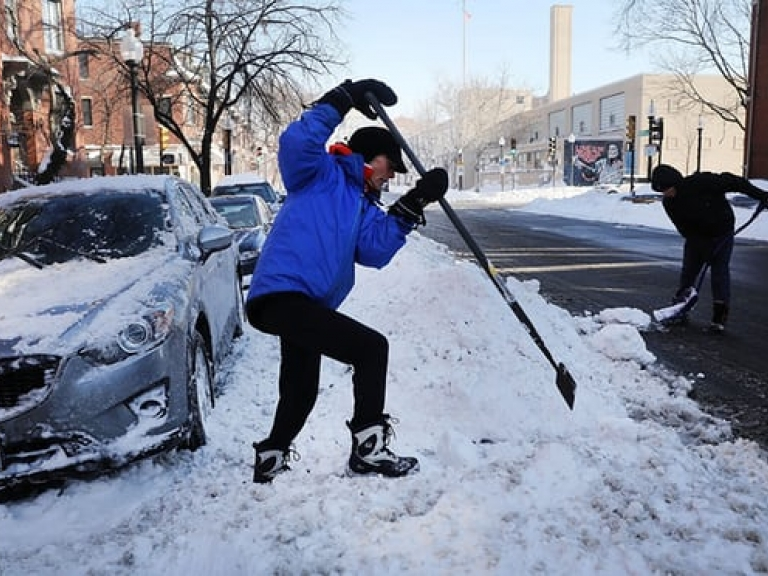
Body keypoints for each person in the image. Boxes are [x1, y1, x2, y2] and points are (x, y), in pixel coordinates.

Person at [244, 79, 449, 483]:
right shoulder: (320, 173)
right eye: (391, 166)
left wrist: (414, 203)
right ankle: (368, 451)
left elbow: (375, 252)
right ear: (370, 157)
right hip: (282, 295)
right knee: (371, 349)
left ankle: (270, 460)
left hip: (305, 305)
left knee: (301, 389)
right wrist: (344, 98)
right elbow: (296, 142)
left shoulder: (364, 206)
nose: (392, 177)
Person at [650, 164, 768, 331]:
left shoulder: (702, 182)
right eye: (662, 191)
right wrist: (702, 246)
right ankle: (680, 308)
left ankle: (719, 317)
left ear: (676, 183)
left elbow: (735, 182)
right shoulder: (669, 203)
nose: (666, 193)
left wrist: (761, 195)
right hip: (696, 238)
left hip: (722, 232)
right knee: (688, 272)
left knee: (719, 273)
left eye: (667, 189)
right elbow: (684, 228)